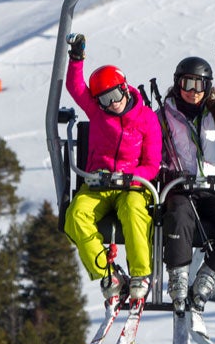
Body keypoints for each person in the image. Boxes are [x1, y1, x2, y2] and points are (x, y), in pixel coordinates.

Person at [61, 34, 162, 308]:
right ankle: (109, 273)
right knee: (76, 214)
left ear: (125, 89)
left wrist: (131, 176)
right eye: (104, 100)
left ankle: (141, 273)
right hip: (98, 183)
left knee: (134, 211)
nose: (112, 103)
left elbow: (153, 163)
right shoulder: (98, 114)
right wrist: (76, 59)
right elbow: (75, 86)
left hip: (132, 186)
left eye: (115, 95)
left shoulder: (146, 119)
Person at [158, 43, 215, 344]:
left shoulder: (214, 111)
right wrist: (167, 171)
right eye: (187, 83)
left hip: (214, 188)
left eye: (200, 85)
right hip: (182, 188)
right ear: (177, 83)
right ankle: (180, 281)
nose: (193, 91)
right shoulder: (164, 114)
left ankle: (207, 279)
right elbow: (153, 151)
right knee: (178, 214)